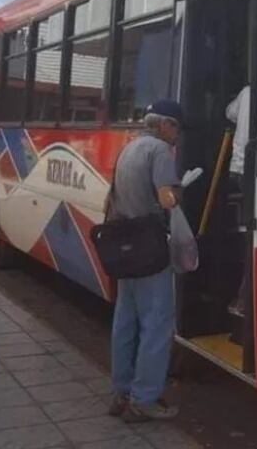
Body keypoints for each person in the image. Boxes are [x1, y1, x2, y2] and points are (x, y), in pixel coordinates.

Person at [107, 99, 190, 423]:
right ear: (166, 124)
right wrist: (181, 191)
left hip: (124, 248)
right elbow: (166, 199)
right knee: (157, 324)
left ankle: (121, 391)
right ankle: (144, 399)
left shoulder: (129, 148)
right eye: (177, 129)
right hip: (149, 248)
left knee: (125, 321)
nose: (177, 136)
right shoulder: (160, 151)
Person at [225, 85, 250, 317]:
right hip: (253, 170)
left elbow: (229, 113)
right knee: (253, 240)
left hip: (237, 168)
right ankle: (243, 300)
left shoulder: (245, 92)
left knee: (247, 234)